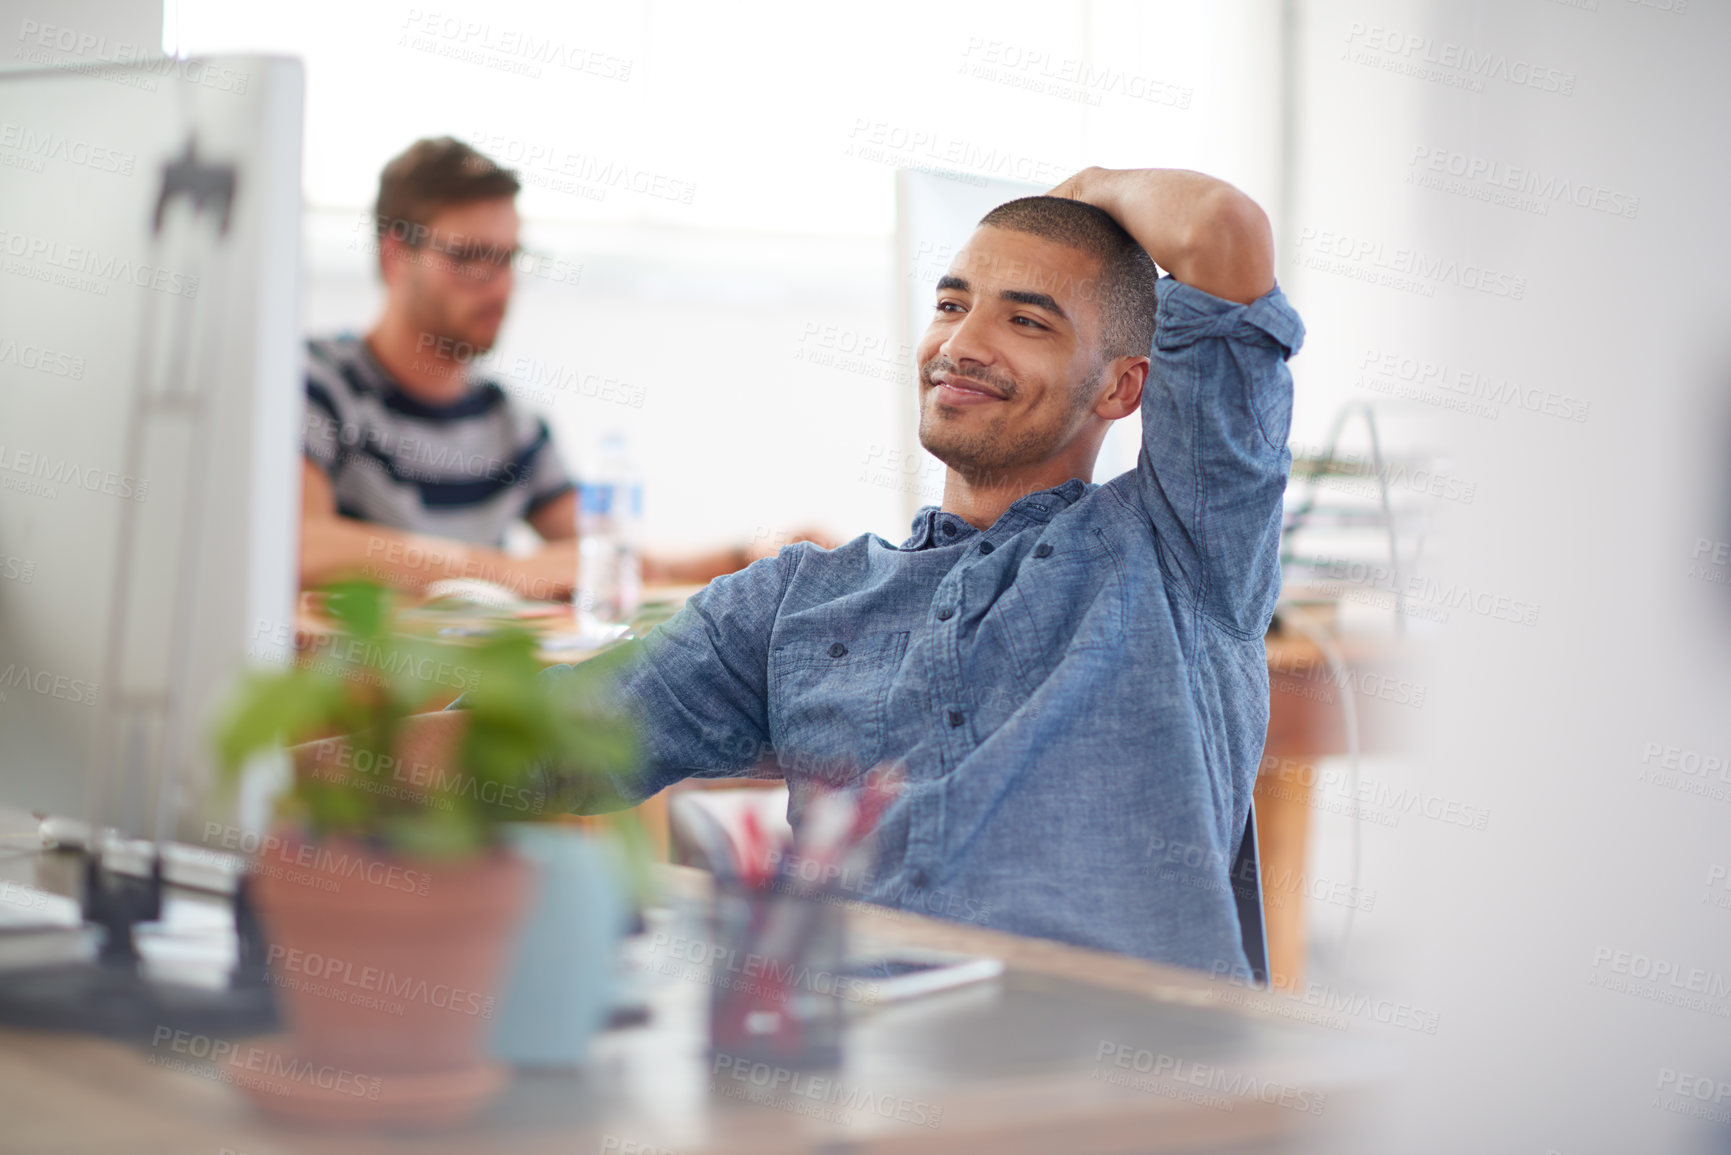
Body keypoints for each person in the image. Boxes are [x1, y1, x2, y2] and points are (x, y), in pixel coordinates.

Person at [470, 165, 1299, 976]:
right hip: (866, 1066)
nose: (962, 344)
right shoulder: (793, 600)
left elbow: (1221, 230)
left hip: (1128, 1078)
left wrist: (1089, 190)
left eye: (1027, 322)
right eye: (950, 304)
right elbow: (535, 746)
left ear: (1121, 388)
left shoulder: (1179, 542)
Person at [300, 137, 819, 600]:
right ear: (396, 255)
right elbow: (296, 541)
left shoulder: (510, 420)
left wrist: (752, 555)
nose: (500, 286)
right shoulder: (317, 384)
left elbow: (607, 558)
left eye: (509, 258)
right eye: (473, 255)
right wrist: (506, 572)